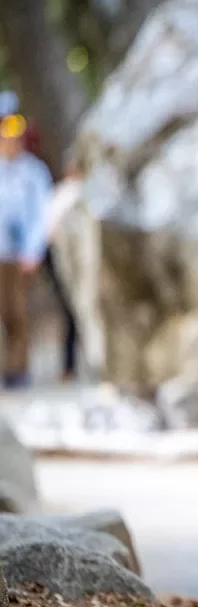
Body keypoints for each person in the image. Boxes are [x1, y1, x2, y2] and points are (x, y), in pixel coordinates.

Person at [0, 91, 53, 389]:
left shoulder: (33, 172)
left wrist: (33, 250)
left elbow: (40, 214)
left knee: (18, 313)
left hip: (20, 254)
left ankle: (16, 370)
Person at [43, 151, 82, 382]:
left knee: (74, 316)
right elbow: (50, 231)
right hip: (68, 265)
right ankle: (69, 365)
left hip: (78, 267)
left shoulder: (78, 194)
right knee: (73, 314)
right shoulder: (66, 196)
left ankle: (73, 365)